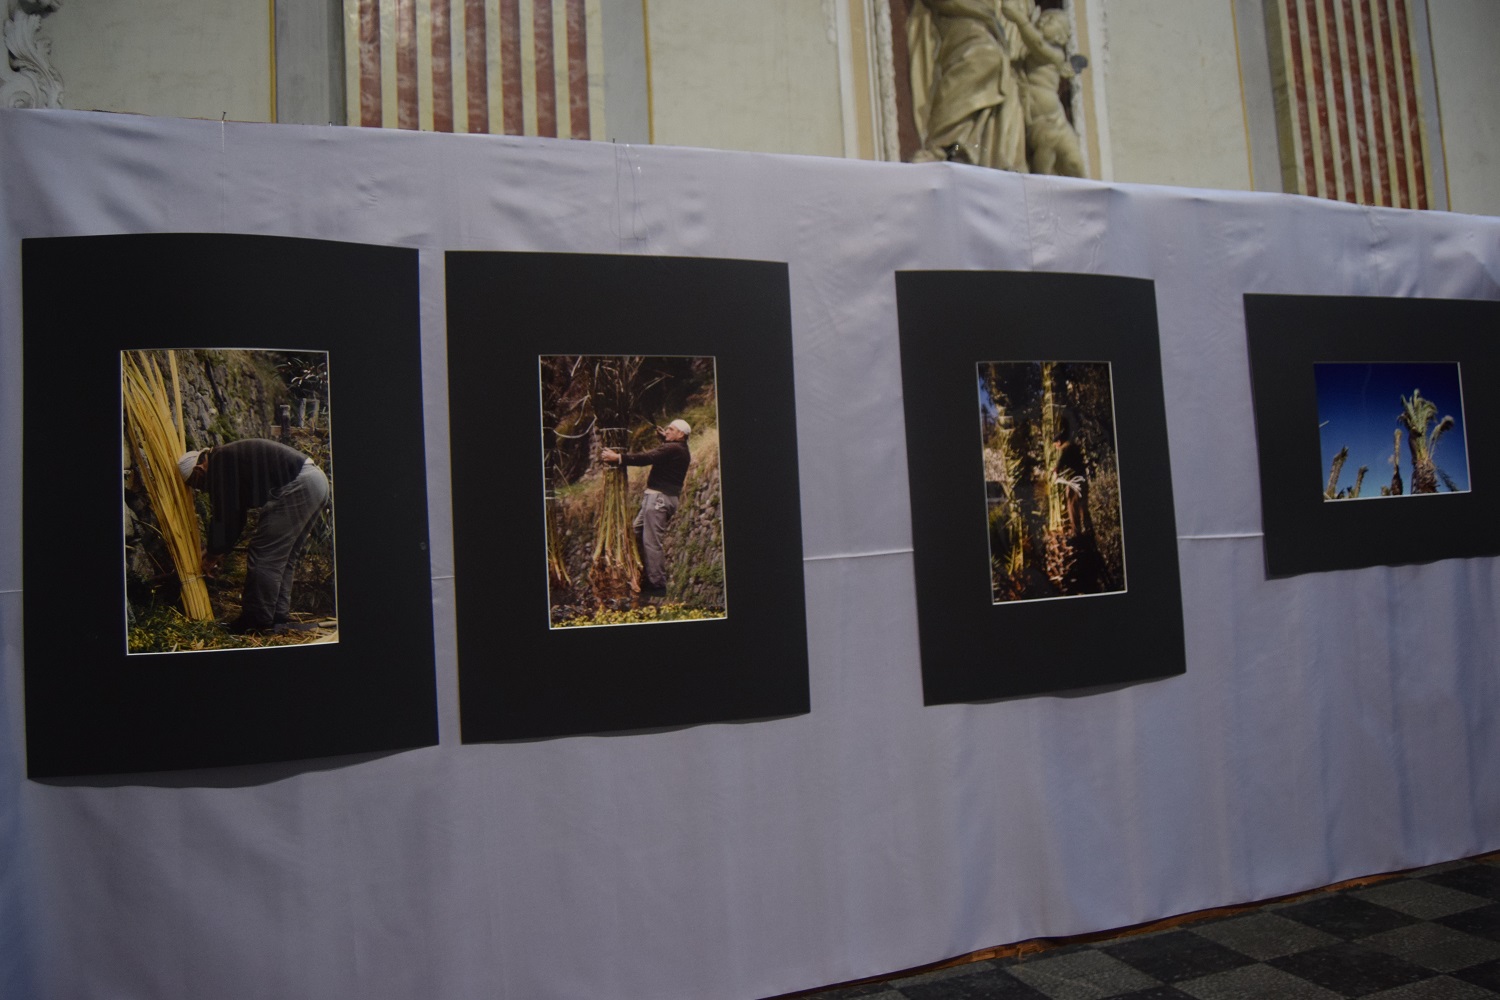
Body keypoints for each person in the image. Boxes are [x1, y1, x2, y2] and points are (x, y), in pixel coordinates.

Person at [178, 438, 330, 634]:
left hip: (300, 483)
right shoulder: (228, 460)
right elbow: (237, 515)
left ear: (199, 470)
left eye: (198, 484)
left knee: (264, 554)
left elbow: (225, 515)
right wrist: (219, 550)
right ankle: (277, 616)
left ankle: (256, 621)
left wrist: (213, 554)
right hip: (316, 481)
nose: (202, 490)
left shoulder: (219, 462)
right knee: (284, 556)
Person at [907, 0, 1026, 170]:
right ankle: (941, 144)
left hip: (989, 32)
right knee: (983, 56)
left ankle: (968, 149)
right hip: (957, 21)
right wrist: (984, 14)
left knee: (1007, 78)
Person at [600, 418, 691, 600]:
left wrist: (618, 458)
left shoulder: (672, 449)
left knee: (651, 542)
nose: (667, 431)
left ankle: (657, 585)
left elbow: (647, 458)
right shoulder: (680, 449)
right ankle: (641, 571)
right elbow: (664, 453)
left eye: (670, 429)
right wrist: (664, 438)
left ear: (681, 434)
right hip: (661, 498)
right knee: (636, 531)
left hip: (658, 499)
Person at [1001, 1, 1085, 177]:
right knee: (1044, 159)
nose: (1044, 21)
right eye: (1043, 18)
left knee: (1075, 163)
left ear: (1061, 37)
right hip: (1040, 122)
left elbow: (1038, 44)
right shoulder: (1028, 54)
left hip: (1057, 121)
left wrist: (1019, 19)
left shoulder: (1055, 55)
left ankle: (1086, 189)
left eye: (1051, 20)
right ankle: (1039, 184)